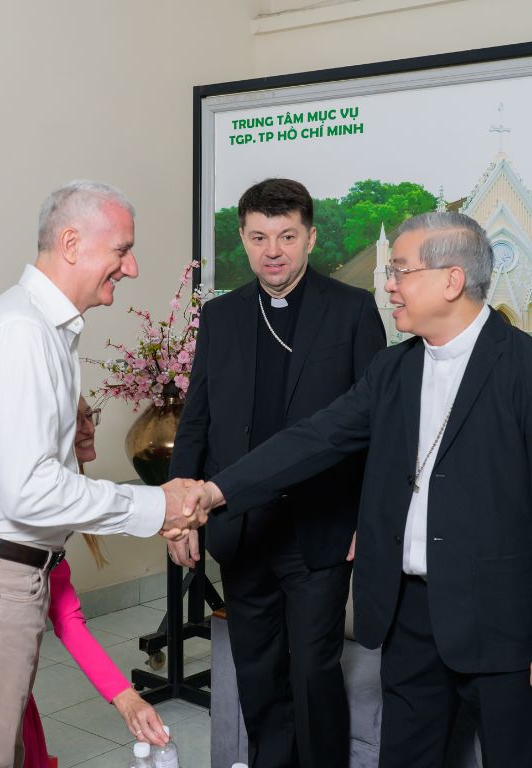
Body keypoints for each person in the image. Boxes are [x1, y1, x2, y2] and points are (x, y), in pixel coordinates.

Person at [187, 210, 532, 768]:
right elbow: (313, 439)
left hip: (500, 620)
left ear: (451, 280)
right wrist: (215, 491)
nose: (389, 285)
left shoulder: (523, 368)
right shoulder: (393, 370)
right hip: (408, 613)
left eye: (401, 271)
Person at [0, 180, 202, 768]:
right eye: (122, 250)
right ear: (72, 243)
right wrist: (157, 505)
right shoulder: (22, 332)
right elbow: (29, 491)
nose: (131, 267)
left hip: (7, 577)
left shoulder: (45, 331)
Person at [169, 178, 386, 768]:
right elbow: (197, 420)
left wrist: (368, 518)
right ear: (242, 238)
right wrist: (181, 515)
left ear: (310, 238)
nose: (273, 251)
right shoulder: (221, 316)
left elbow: (377, 427)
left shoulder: (352, 310)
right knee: (258, 672)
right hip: (241, 527)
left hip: (320, 526)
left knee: (314, 670)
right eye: (259, 237)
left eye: (287, 236)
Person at [0, 395, 169, 764]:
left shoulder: (56, 508)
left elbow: (67, 617)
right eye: (75, 420)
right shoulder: (12, 517)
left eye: (90, 415)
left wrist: (127, 699)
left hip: (3, 677)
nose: (88, 427)